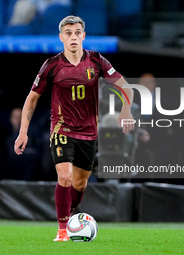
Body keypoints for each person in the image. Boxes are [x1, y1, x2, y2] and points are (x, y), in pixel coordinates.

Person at [14, 15, 134, 241]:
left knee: (79, 184)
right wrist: (23, 132)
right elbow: (31, 100)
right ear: (61, 37)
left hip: (89, 132)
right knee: (65, 177)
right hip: (62, 130)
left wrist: (126, 111)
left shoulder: (98, 62)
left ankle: (69, 215)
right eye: (68, 33)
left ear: (83, 36)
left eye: (77, 33)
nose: (73, 37)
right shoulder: (51, 65)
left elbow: (126, 87)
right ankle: (61, 231)